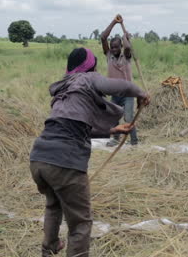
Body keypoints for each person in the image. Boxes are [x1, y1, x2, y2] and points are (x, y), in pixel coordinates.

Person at [29, 47, 150, 257]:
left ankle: (48, 249)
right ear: (90, 66)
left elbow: (74, 126)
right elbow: (119, 85)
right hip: (65, 161)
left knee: (53, 205)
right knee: (80, 223)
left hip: (39, 158)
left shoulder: (64, 87)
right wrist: (141, 92)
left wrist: (112, 130)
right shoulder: (87, 79)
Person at [100, 14, 139, 146]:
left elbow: (127, 48)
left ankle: (134, 142)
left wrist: (124, 37)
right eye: (112, 46)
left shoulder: (126, 56)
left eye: (116, 46)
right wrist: (114, 22)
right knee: (114, 116)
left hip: (127, 94)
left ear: (120, 46)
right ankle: (115, 139)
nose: (114, 49)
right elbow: (103, 37)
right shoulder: (109, 55)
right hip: (114, 94)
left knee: (128, 118)